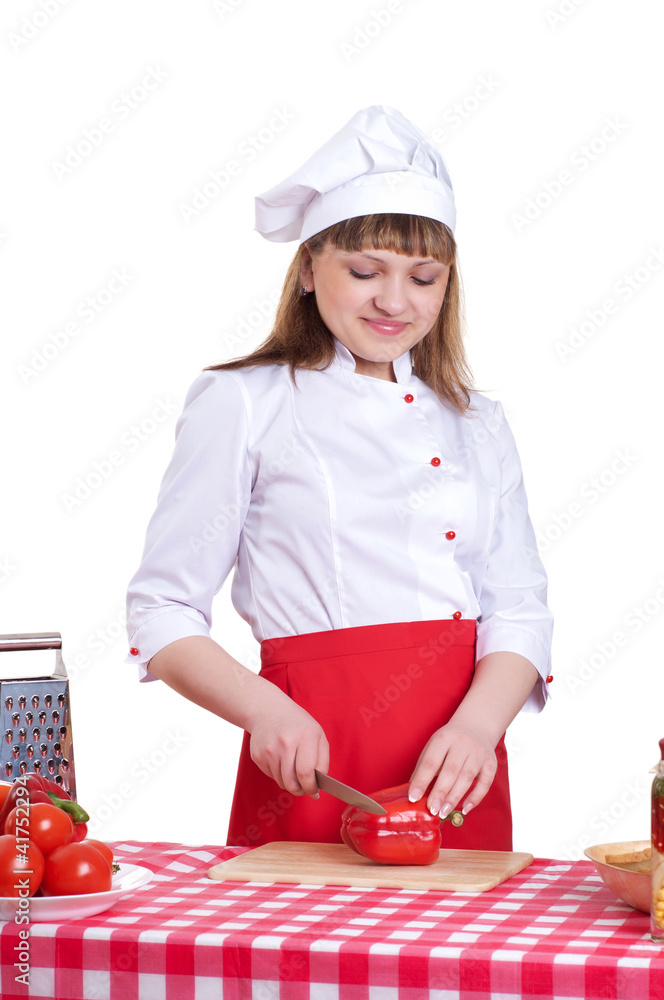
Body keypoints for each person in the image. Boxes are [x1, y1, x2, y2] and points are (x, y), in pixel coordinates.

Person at [125, 105, 553, 852]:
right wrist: (264, 709)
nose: (395, 301)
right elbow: (161, 610)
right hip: (314, 758)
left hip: (457, 766)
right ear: (308, 271)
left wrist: (481, 726)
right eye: (365, 272)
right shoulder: (245, 403)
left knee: (465, 962)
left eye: (424, 278)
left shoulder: (479, 421)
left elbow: (519, 609)